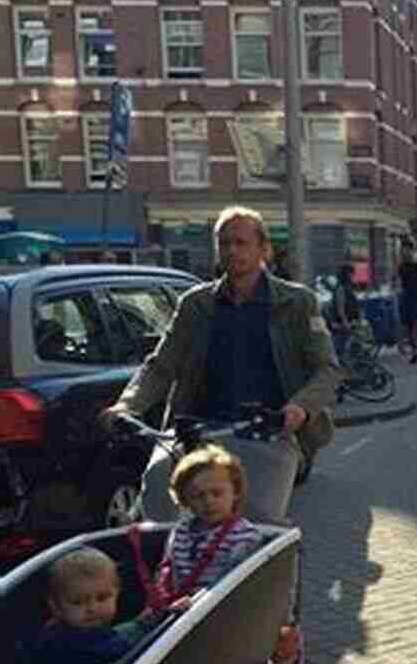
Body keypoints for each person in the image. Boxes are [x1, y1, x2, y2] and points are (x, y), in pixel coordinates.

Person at [103, 205, 341, 523]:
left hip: (266, 433)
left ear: (264, 249)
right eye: (224, 243)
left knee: (260, 524)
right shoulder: (195, 304)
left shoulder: (297, 303)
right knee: (158, 499)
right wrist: (126, 405)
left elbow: (328, 368)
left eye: (241, 242)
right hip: (197, 431)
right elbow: (161, 365)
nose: (231, 250)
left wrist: (299, 408)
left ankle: (271, 567)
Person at [145, 444, 301, 664]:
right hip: (179, 614)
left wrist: (196, 602)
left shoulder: (244, 537)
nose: (208, 502)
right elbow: (168, 570)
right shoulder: (181, 531)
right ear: (185, 500)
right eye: (198, 496)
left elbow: (238, 590)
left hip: (219, 619)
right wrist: (161, 600)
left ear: (235, 492)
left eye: (217, 493)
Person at [20, 548, 152, 664]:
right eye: (77, 602)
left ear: (117, 593)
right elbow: (121, 647)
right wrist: (146, 625)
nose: (92, 608)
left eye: (102, 598)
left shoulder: (53, 629)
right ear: (55, 606)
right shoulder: (69, 645)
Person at [397, 241, 417, 365]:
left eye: (405, 250)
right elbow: (399, 281)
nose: (404, 253)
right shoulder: (402, 266)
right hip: (406, 298)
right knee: (408, 327)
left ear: (411, 250)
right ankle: (415, 351)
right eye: (402, 250)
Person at [326, 263, 361, 364]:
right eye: (351, 273)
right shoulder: (341, 288)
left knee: (344, 350)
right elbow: (340, 309)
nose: (352, 276)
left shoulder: (347, 287)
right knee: (340, 352)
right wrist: (346, 324)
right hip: (341, 325)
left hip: (347, 324)